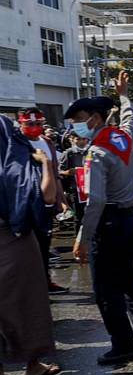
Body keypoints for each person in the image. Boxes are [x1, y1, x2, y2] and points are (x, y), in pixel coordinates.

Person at [66, 71, 133, 365]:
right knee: (129, 282)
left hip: (107, 226)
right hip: (129, 222)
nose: (75, 125)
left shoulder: (95, 152)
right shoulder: (121, 137)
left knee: (106, 290)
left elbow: (94, 201)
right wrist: (124, 95)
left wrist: (82, 238)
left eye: (79, 118)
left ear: (94, 118)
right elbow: (130, 119)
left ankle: (123, 344)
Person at [0, 114, 62, 375]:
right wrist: (46, 164)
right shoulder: (18, 157)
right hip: (14, 238)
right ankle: (33, 366)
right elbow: (46, 197)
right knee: (28, 305)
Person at [17, 109, 68, 296]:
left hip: (47, 200)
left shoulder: (46, 142)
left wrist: (61, 198)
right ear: (21, 124)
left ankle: (45, 281)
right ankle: (28, 286)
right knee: (26, 245)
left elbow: (55, 173)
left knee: (44, 242)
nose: (34, 127)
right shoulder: (15, 143)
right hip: (25, 202)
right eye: (29, 124)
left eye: (38, 123)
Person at [59, 131, 90, 235]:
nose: (81, 142)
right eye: (78, 139)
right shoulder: (68, 153)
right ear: (72, 139)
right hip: (76, 190)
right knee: (79, 216)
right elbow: (59, 172)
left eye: (84, 139)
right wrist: (68, 172)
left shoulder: (91, 151)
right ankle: (79, 240)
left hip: (91, 188)